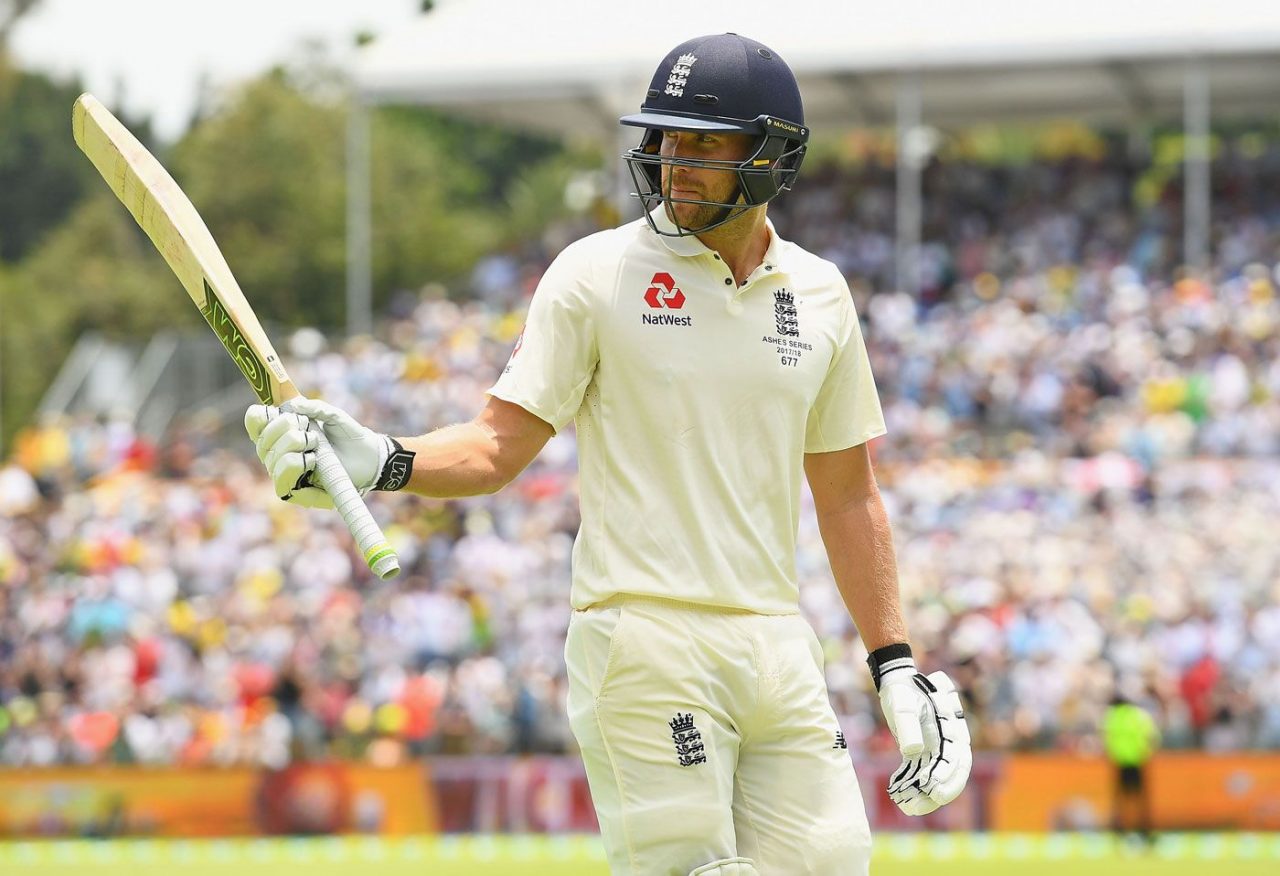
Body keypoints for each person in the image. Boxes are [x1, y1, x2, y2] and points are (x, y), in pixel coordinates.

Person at [246, 32, 971, 876]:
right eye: (664, 139)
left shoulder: (820, 294)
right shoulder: (595, 274)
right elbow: (495, 444)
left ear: (772, 155)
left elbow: (849, 496)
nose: (673, 162)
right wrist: (384, 459)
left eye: (704, 143)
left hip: (778, 642)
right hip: (642, 636)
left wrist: (893, 663)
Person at [1103, 692, 1160, 843]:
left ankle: (1119, 829)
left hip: (1120, 762)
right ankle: (1144, 830)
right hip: (1137, 761)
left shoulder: (1112, 717)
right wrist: (1145, 752)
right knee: (1140, 799)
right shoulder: (1139, 715)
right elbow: (1152, 736)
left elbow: (1107, 739)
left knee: (1121, 799)